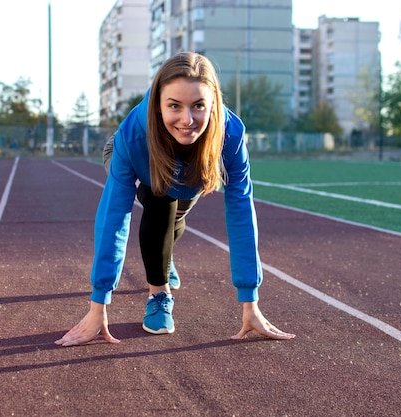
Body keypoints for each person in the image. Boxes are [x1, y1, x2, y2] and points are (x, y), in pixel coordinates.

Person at [55, 52, 295, 346]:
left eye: (198, 106)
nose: (187, 119)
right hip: (146, 157)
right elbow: (113, 217)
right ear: (158, 105)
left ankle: (164, 260)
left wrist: (251, 303)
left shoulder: (230, 137)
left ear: (213, 105)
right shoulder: (133, 138)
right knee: (159, 199)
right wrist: (98, 306)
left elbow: (242, 212)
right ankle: (158, 294)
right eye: (174, 106)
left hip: (193, 163)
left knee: (176, 216)